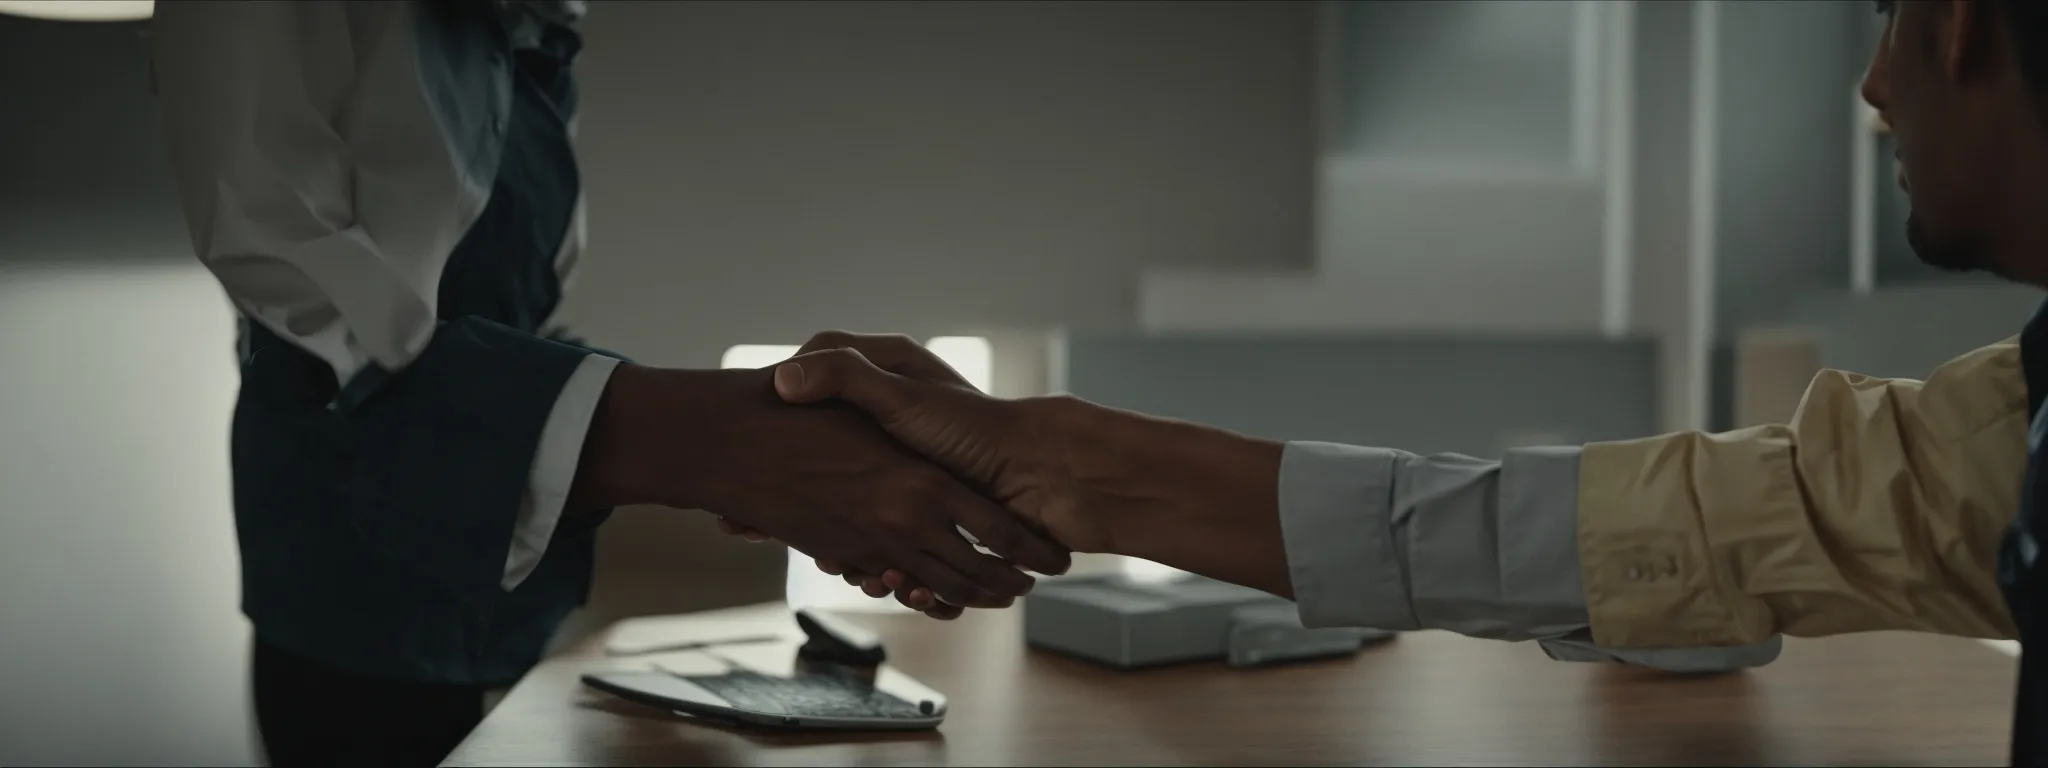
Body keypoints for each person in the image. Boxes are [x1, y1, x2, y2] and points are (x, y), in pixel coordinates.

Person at [749, 0, 2046, 762]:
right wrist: (1070, 467)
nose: (1875, 85)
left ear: (1969, 26)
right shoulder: (2007, 433)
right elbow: (1631, 527)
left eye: (1891, 9)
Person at [149, 2, 1067, 765]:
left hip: (500, 587)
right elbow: (302, 291)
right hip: (346, 564)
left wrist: (749, 447)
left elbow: (512, 320)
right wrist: (728, 446)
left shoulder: (533, 30)